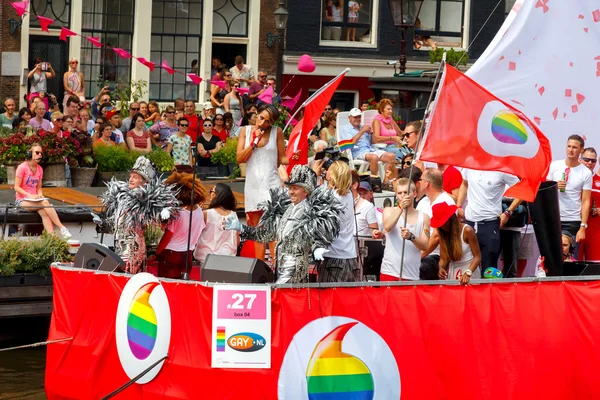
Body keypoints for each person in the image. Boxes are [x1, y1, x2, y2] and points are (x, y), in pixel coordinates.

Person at [224, 165, 343, 283]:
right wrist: (242, 228)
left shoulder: (310, 211)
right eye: (290, 188)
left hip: (295, 273)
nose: (291, 192)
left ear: (306, 191)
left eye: (295, 188)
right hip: (280, 268)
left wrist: (317, 248)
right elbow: (268, 235)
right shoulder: (287, 210)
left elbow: (314, 234)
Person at [99, 156, 179, 273]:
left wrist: (162, 212)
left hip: (133, 249)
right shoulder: (121, 197)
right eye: (131, 176)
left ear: (144, 182)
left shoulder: (145, 199)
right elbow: (117, 223)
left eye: (135, 177)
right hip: (119, 246)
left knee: (129, 277)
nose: (131, 179)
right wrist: (103, 224)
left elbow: (157, 216)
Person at [236, 104, 288, 260]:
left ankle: (276, 268)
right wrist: (253, 142)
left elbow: (282, 158)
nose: (263, 123)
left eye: (268, 121)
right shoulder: (245, 131)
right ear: (256, 114)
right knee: (257, 228)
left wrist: (293, 158)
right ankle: (260, 268)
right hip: (253, 184)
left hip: (271, 183)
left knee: (272, 228)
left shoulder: (276, 132)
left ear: (272, 123)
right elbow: (240, 158)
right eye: (261, 118)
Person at [457, 169, 522, 270]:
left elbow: (523, 190)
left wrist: (508, 212)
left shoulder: (501, 169)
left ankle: (488, 286)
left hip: (489, 223)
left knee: (488, 268)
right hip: (469, 222)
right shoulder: (469, 165)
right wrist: (458, 206)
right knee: (465, 265)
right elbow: (464, 184)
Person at [154, 172, 206, 279]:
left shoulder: (177, 212)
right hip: (188, 255)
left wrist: (157, 253)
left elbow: (168, 235)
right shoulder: (199, 211)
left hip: (170, 254)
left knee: (167, 287)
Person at [13, 144, 71, 238]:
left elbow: (39, 188)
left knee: (44, 212)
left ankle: (51, 238)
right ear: (30, 154)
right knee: (45, 203)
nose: (39, 155)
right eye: (37, 152)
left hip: (35, 200)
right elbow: (16, 187)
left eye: (41, 153)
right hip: (22, 200)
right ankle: (62, 227)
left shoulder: (39, 169)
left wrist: (40, 195)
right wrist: (29, 195)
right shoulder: (22, 167)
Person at [546, 135, 592, 250]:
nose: (570, 150)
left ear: (581, 150)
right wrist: (554, 185)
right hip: (553, 218)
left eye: (574, 147)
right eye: (569, 146)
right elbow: (544, 190)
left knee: (569, 258)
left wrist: (583, 226)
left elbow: (586, 201)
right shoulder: (555, 165)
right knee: (551, 256)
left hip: (572, 220)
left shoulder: (585, 172)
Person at [380, 178, 430, 281]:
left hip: (412, 274)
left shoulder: (424, 217)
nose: (402, 195)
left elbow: (425, 246)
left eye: (406, 192)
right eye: (399, 193)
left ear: (414, 194)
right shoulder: (389, 210)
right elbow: (387, 226)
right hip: (390, 272)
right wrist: (400, 207)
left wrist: (411, 237)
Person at [317, 161, 360, 282]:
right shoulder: (349, 194)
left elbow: (313, 202)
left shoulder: (331, 196)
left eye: (329, 170)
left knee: (328, 299)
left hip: (333, 257)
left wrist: (315, 175)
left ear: (332, 176)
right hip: (350, 256)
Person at [433, 202, 481, 284]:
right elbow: (443, 258)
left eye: (444, 223)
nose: (442, 226)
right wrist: (441, 268)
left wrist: (468, 273)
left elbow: (477, 257)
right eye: (440, 224)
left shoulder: (467, 230)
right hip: (453, 271)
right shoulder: (442, 234)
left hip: (469, 270)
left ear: (451, 219)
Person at [339, 108, 395, 176]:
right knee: (374, 157)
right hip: (357, 152)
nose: (357, 119)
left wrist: (371, 133)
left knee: (391, 156)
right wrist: (362, 131)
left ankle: (386, 182)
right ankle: (374, 181)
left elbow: (374, 142)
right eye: (355, 117)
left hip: (370, 150)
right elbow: (350, 143)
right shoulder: (345, 129)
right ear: (349, 118)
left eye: (359, 117)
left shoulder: (362, 127)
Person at [194, 183, 240, 264]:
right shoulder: (234, 215)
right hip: (228, 258)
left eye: (212, 191)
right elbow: (237, 241)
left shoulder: (206, 214)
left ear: (216, 195)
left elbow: (194, 235)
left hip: (207, 258)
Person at [581, 149, 600, 261]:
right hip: (574, 226)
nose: (589, 163)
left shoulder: (598, 180)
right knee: (572, 264)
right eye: (586, 159)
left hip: (595, 229)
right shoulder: (569, 177)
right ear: (580, 159)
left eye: (593, 161)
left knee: (595, 266)